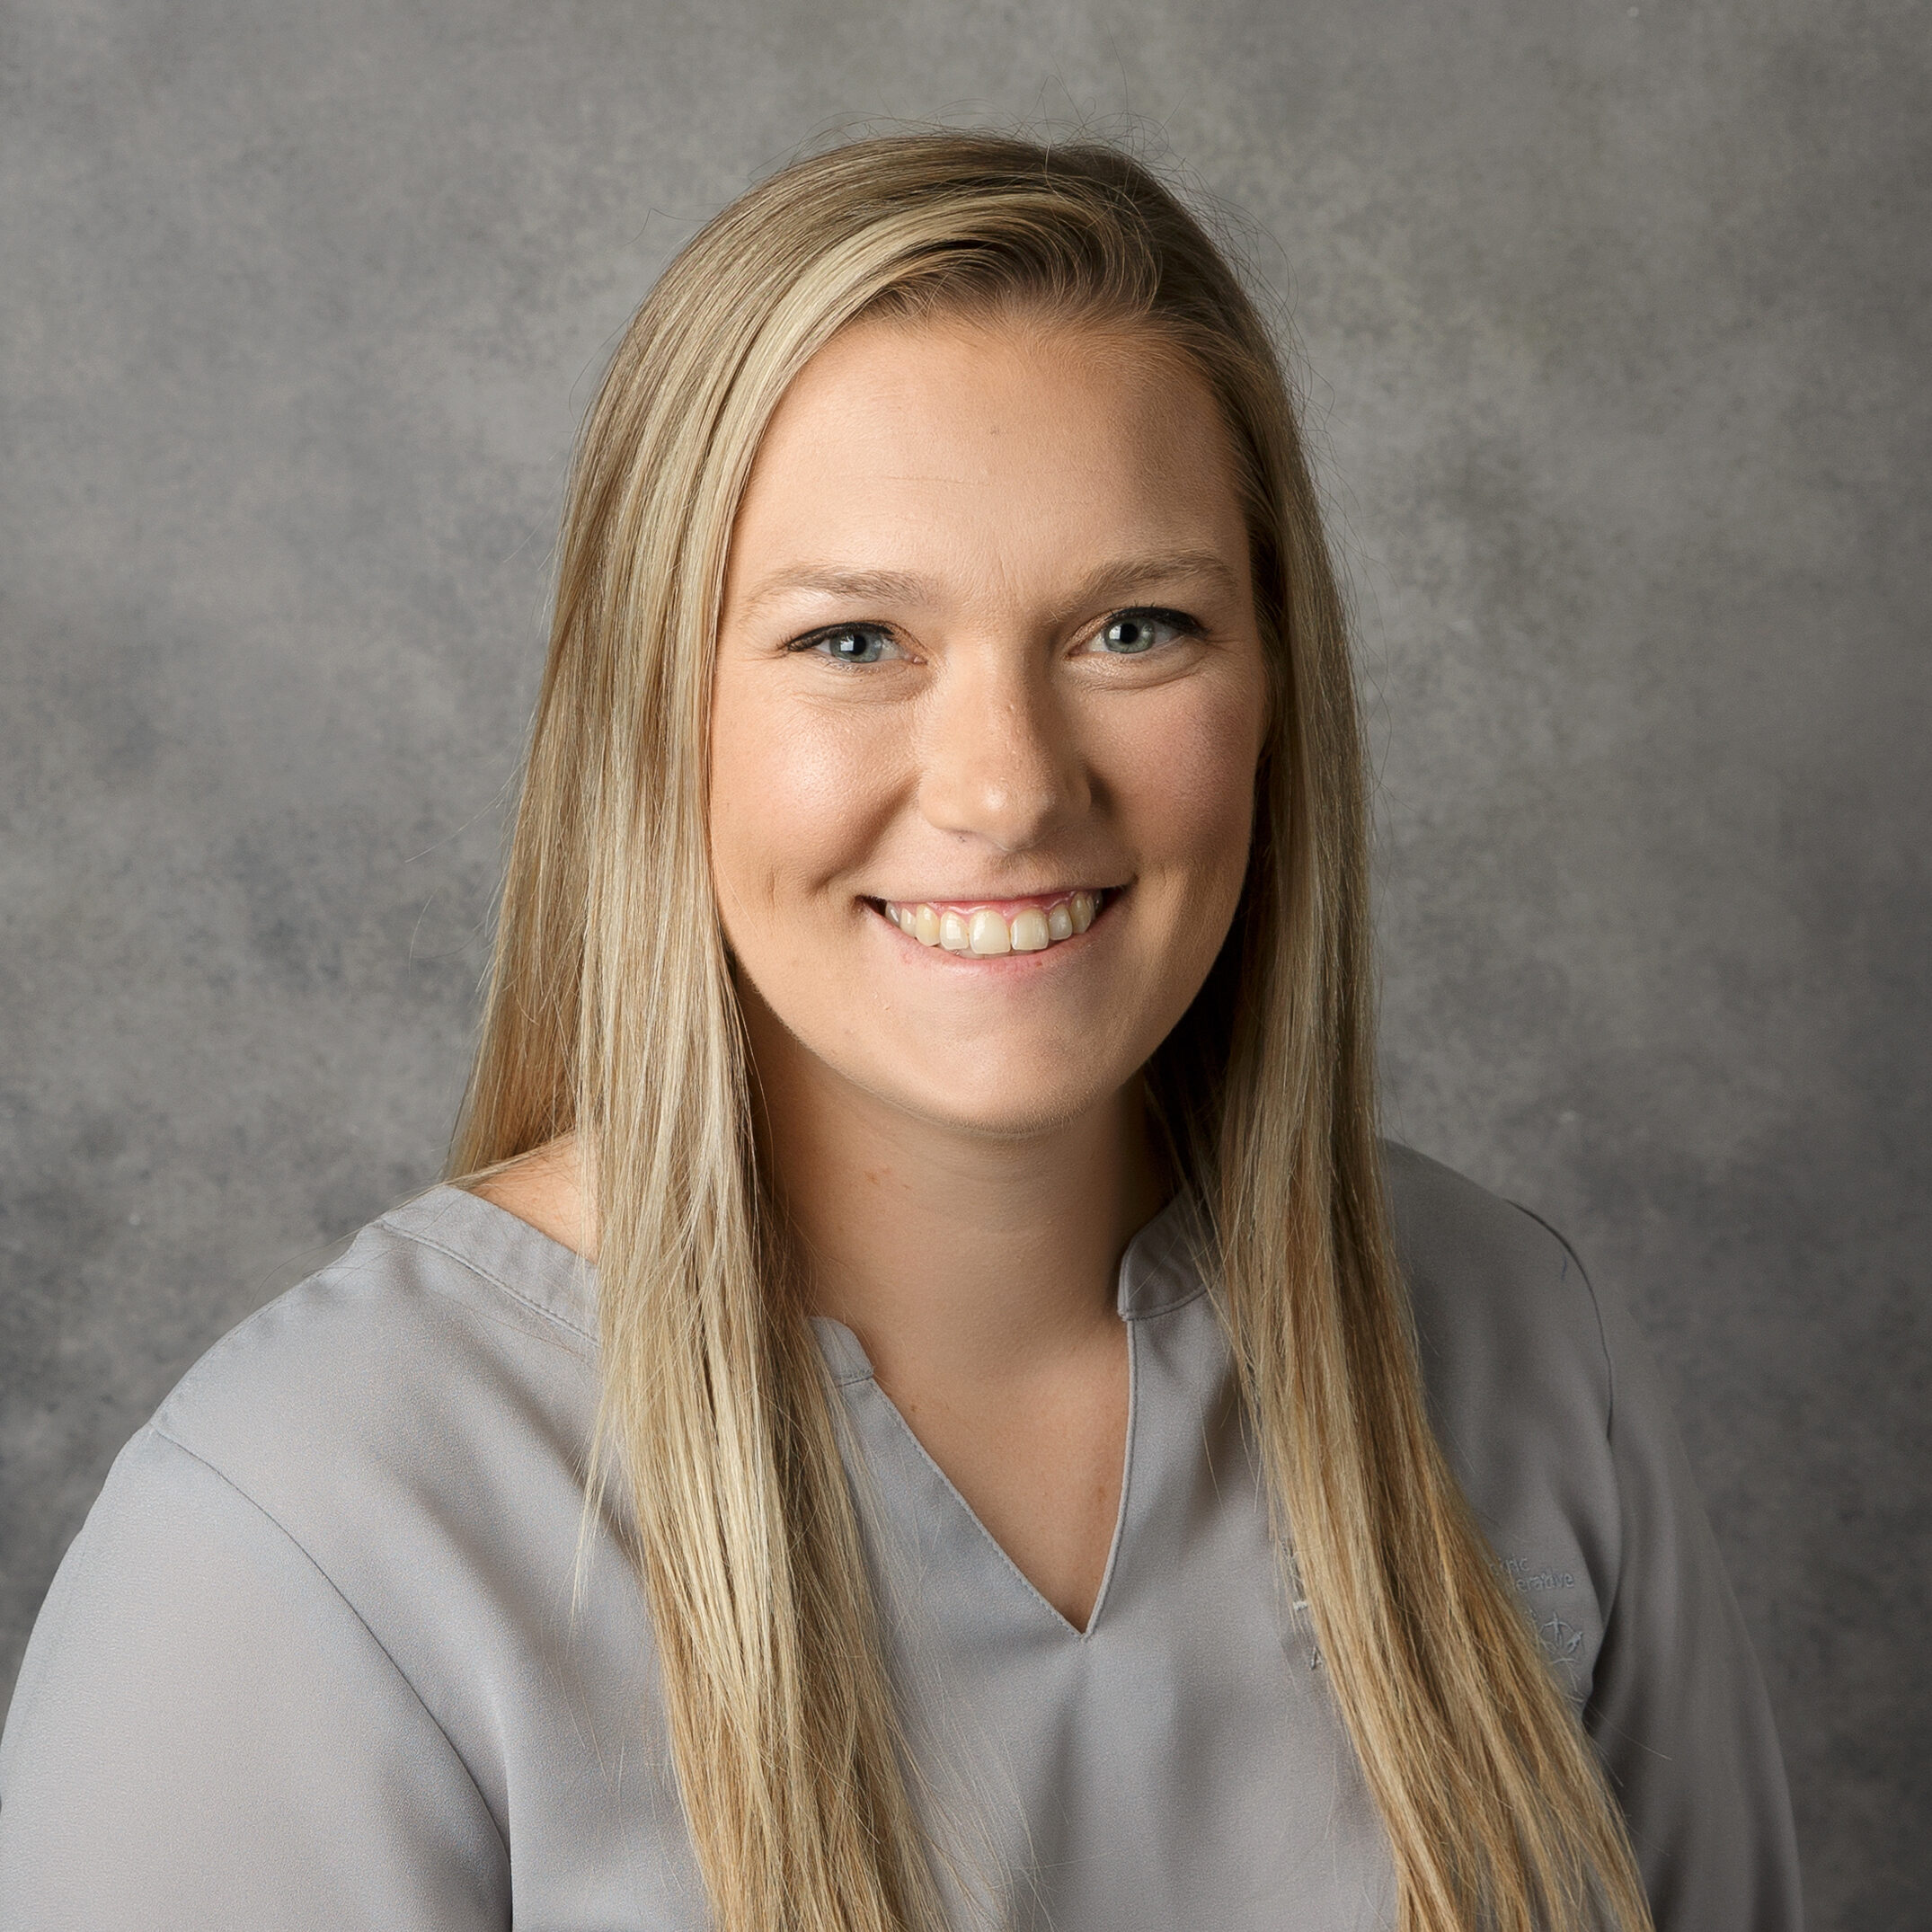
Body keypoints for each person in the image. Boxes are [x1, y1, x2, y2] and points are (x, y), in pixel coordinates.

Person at [0, 133, 1800, 1932]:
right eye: (854, 640)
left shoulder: (1511, 1349)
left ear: (1277, 691)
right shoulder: (305, 1528)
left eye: (1132, 626)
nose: (1008, 787)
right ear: (650, 710)